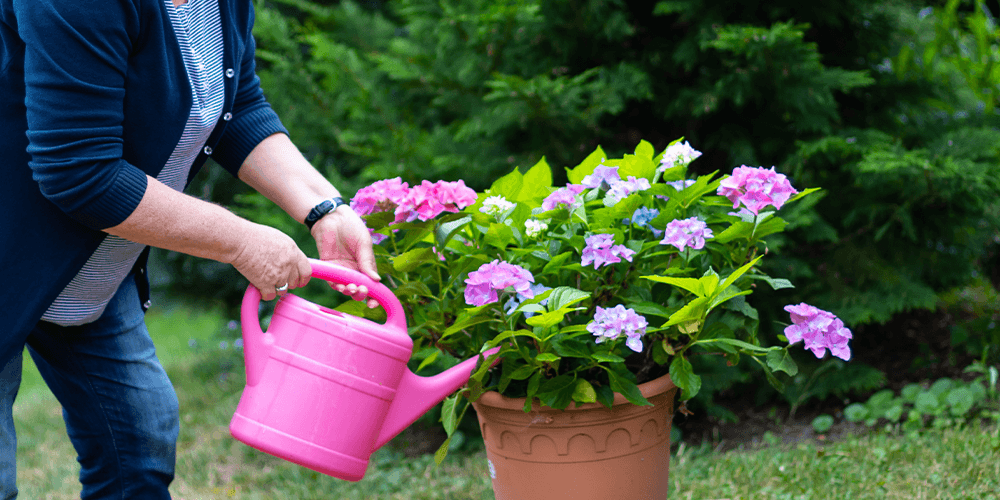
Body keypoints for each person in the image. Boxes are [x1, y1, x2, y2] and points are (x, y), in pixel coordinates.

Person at [0, 0, 379, 497]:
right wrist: (240, 241)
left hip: (83, 265)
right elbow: (80, 171)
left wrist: (325, 209)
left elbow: (236, 105)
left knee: (138, 449)